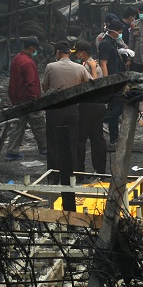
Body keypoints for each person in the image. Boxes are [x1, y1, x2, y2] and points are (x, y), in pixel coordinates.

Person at [42, 41, 92, 210]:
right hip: (72, 109)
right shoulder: (79, 68)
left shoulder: (51, 66)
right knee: (72, 140)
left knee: (54, 142)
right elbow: (90, 84)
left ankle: (54, 175)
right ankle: (72, 174)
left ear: (57, 53)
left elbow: (45, 87)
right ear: (69, 53)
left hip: (55, 109)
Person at [6, 36, 47, 161]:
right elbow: (30, 83)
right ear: (31, 48)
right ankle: (45, 149)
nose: (36, 51)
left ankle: (12, 151)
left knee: (18, 125)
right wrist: (34, 98)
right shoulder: (28, 62)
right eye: (35, 49)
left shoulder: (17, 59)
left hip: (18, 98)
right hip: (29, 99)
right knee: (39, 124)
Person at [73, 40, 106, 176]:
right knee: (96, 138)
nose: (75, 55)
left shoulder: (89, 66)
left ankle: (80, 172)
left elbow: (95, 85)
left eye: (77, 53)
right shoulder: (88, 64)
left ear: (83, 53)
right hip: (97, 106)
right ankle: (100, 170)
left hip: (88, 105)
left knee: (80, 139)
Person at [99, 20, 127, 149]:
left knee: (115, 106)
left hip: (117, 77)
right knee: (117, 107)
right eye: (120, 33)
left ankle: (114, 137)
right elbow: (103, 63)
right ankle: (101, 120)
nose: (120, 35)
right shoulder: (105, 43)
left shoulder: (111, 42)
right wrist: (107, 81)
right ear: (114, 31)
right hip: (113, 80)